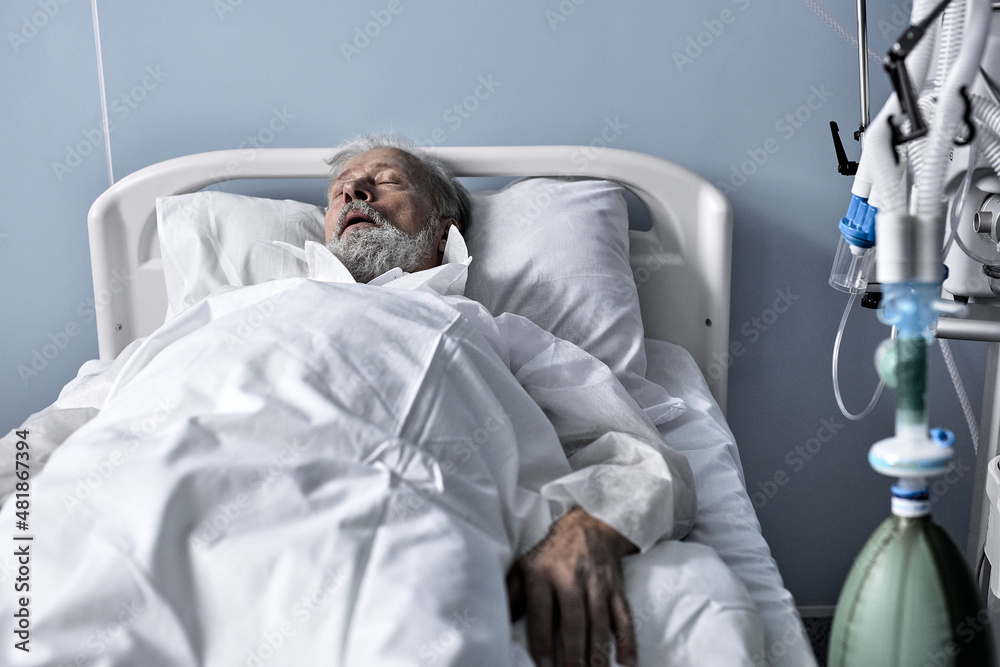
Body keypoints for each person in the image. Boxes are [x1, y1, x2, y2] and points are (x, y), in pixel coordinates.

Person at [318, 134, 692, 667]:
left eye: (386, 181)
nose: (355, 189)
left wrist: (590, 522)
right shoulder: (241, 312)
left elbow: (641, 453)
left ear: (442, 229)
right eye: (339, 191)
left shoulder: (487, 332)